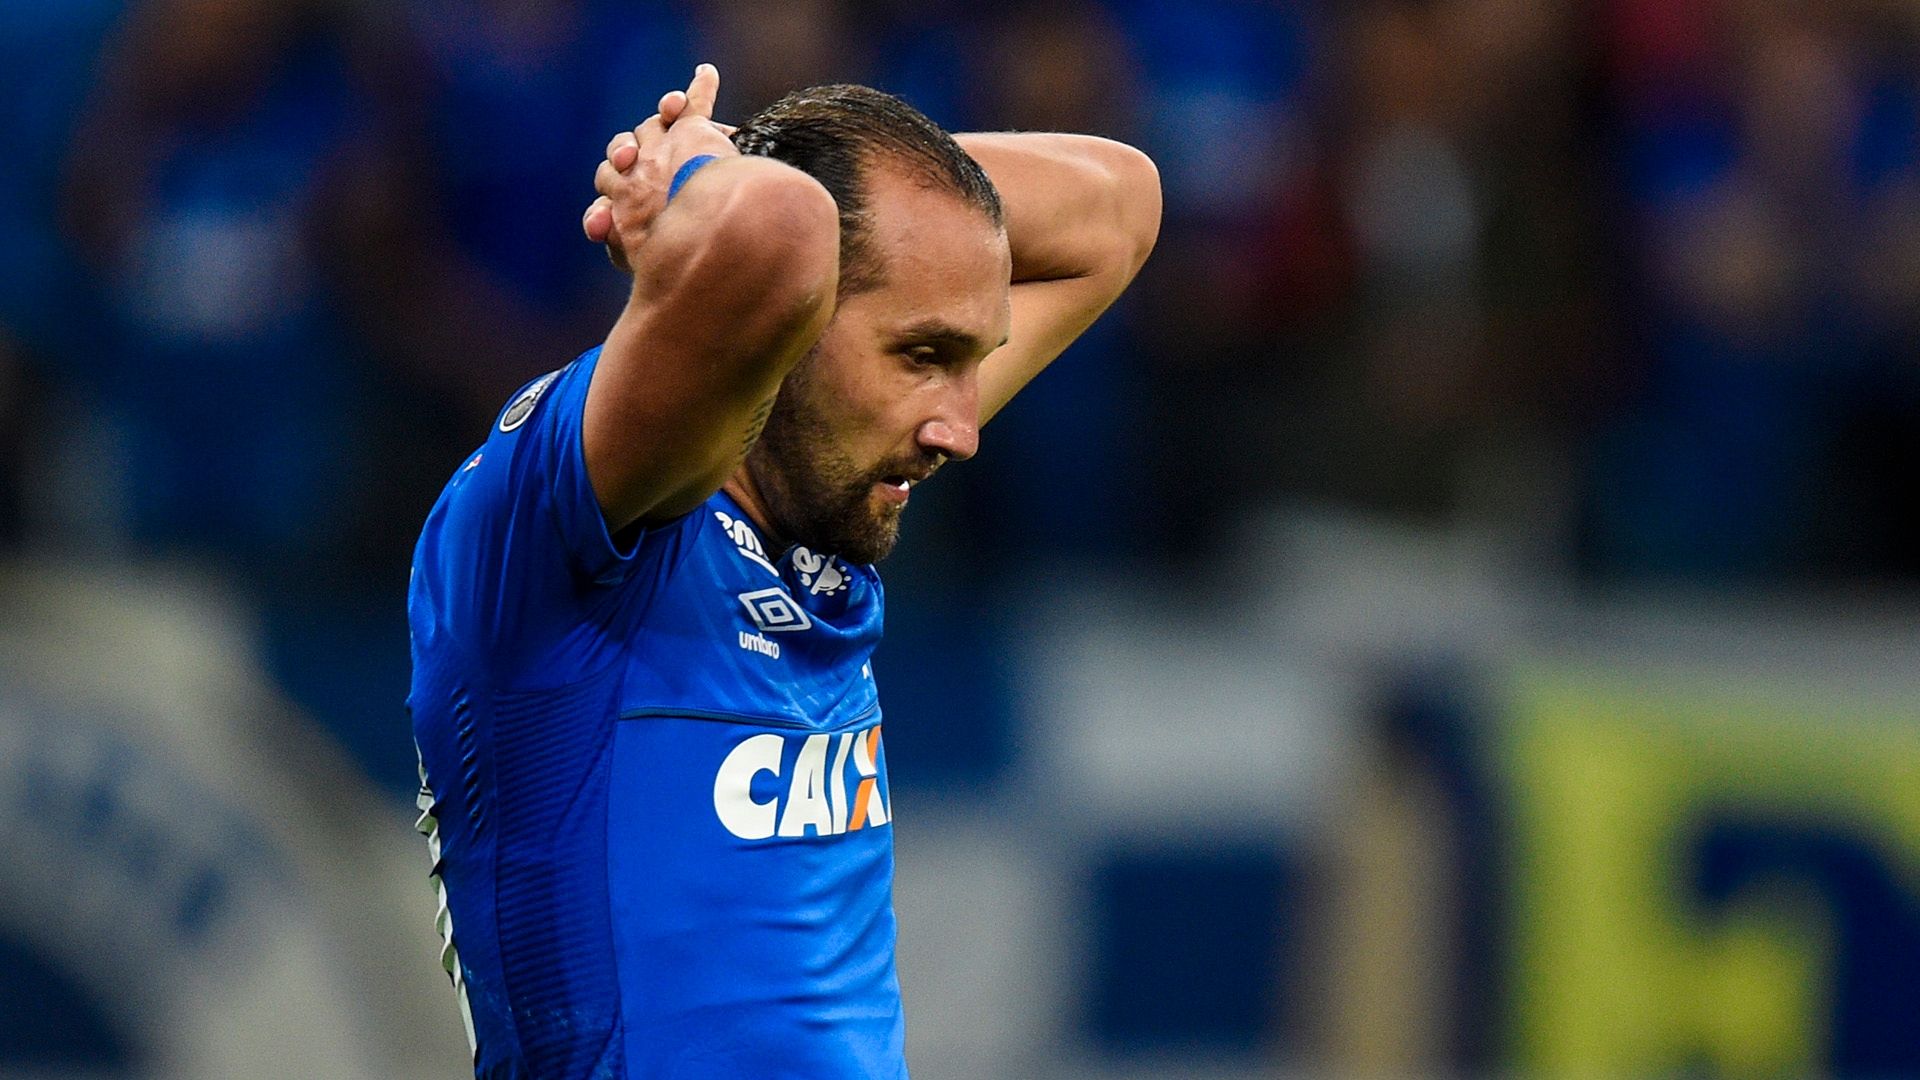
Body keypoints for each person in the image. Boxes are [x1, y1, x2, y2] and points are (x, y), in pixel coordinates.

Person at [408, 63, 1159, 1078]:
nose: (963, 427)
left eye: (974, 359)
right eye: (924, 352)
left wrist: (887, 218)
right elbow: (778, 232)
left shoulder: (826, 495)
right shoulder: (559, 518)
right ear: (797, 321)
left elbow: (1117, 210)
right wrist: (698, 185)